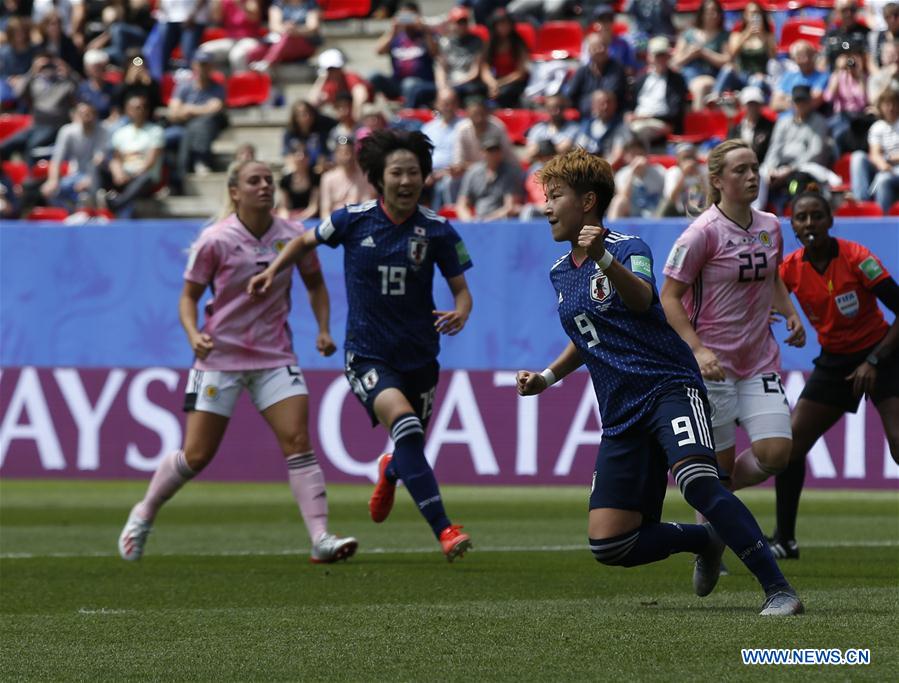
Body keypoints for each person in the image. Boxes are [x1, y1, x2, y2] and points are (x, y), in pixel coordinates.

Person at [516, 147, 802, 616]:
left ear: (587, 201)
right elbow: (588, 336)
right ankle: (704, 540)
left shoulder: (629, 248)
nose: (546, 207)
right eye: (546, 198)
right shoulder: (559, 272)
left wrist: (604, 259)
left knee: (699, 484)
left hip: (669, 387)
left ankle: (779, 589)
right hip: (621, 412)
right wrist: (547, 378)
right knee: (610, 543)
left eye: (555, 196)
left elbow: (643, 297)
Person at [248, 130, 475, 562]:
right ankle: (445, 530)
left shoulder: (437, 230)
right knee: (406, 426)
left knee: (409, 447)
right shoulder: (352, 219)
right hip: (368, 353)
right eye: (397, 172)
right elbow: (303, 240)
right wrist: (271, 272)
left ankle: (390, 470)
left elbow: (461, 290)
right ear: (378, 178)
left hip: (421, 357)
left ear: (424, 176)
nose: (406, 181)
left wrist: (461, 311)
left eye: (413, 172)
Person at [118, 160, 358, 565]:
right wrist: (193, 334)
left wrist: (323, 329)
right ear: (234, 191)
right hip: (219, 357)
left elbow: (316, 284)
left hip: (274, 355)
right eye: (254, 181)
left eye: (269, 180)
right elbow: (188, 298)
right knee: (196, 456)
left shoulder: (292, 234)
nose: (264, 186)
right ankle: (143, 513)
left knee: (298, 442)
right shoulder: (216, 240)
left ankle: (320, 538)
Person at [661, 139, 806, 498]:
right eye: (740, 170)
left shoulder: (770, 225)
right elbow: (669, 298)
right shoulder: (701, 233)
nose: (752, 176)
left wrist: (790, 312)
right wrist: (698, 351)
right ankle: (714, 523)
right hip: (713, 365)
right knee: (719, 467)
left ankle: (719, 493)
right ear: (718, 180)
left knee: (776, 454)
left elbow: (772, 276)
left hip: (758, 359)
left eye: (754, 168)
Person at [769, 190, 899, 560]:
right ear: (793, 226)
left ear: (830, 221)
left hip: (882, 354)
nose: (809, 224)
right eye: (801, 218)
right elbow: (763, 301)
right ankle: (785, 540)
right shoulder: (790, 268)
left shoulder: (857, 258)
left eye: (817, 216)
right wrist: (783, 319)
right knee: (790, 447)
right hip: (835, 362)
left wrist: (873, 361)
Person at [671, 0, 729, 111]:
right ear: (701, 13)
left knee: (702, 86)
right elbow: (675, 61)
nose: (713, 15)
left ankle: (699, 118)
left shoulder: (724, 36)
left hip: (713, 77)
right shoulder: (688, 34)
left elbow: (726, 61)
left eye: (716, 11)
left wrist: (704, 53)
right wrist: (691, 54)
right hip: (689, 76)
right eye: (709, 11)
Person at [455, 130, 523, 221]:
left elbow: (510, 207)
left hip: (501, 222)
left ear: (501, 152)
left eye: (496, 150)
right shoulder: (473, 173)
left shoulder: (510, 173)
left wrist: (487, 220)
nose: (493, 154)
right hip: (477, 220)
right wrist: (469, 221)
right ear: (482, 152)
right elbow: (462, 204)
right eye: (490, 150)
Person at [850, 88, 899, 213]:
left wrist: (889, 159)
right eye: (887, 104)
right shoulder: (877, 127)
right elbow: (874, 153)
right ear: (881, 107)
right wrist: (882, 164)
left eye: (894, 104)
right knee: (858, 157)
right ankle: (861, 202)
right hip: (885, 166)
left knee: (883, 179)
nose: (891, 108)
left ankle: (881, 218)